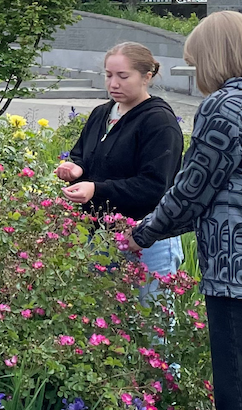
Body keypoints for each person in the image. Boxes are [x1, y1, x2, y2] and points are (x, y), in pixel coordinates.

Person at [128, 12, 242, 409]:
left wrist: (141, 233)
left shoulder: (224, 106)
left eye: (194, 65)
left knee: (235, 389)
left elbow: (192, 191)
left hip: (233, 270)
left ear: (214, 58)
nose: (195, 75)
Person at [55, 42, 184, 304]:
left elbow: (154, 186)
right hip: (100, 235)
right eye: (108, 75)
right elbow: (82, 154)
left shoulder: (159, 121)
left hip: (148, 238)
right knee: (100, 318)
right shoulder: (101, 114)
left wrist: (95, 189)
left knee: (152, 321)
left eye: (123, 76)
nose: (113, 83)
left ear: (146, 76)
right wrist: (76, 169)